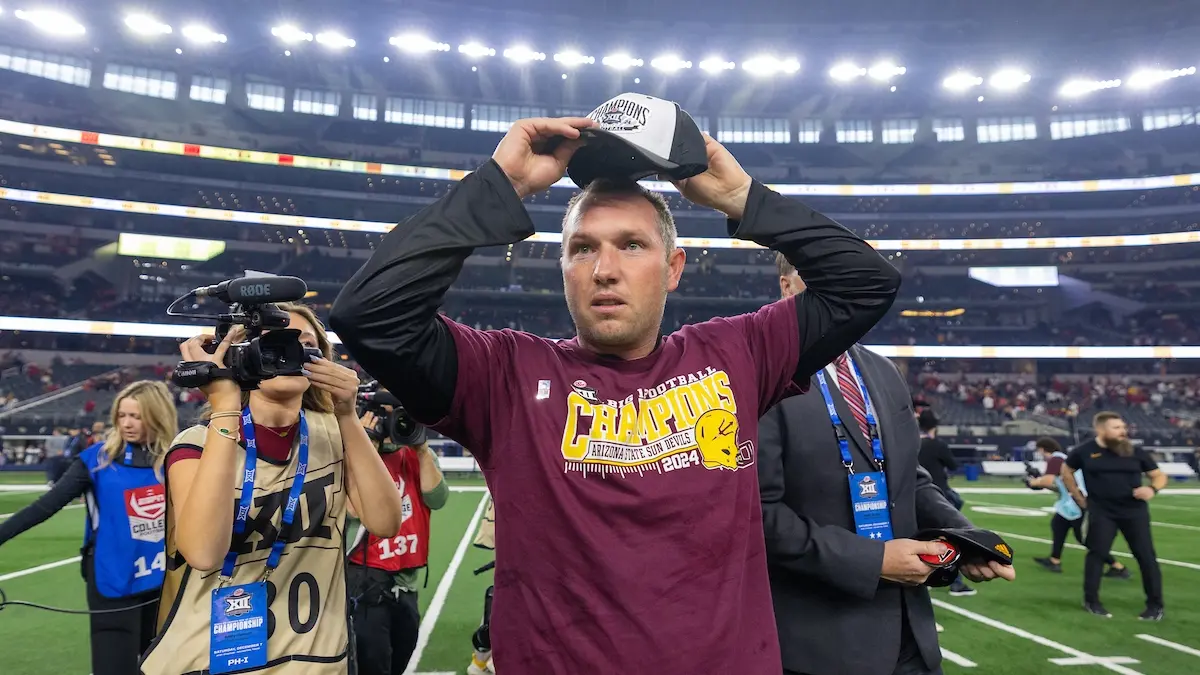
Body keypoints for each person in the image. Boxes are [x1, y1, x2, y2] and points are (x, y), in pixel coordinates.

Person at [329, 115, 903, 673]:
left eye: (631, 245)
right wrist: (500, 186)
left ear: (674, 268)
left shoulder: (738, 354)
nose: (604, 268)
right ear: (564, 269)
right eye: (582, 248)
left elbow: (866, 283)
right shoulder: (503, 374)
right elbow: (370, 316)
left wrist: (742, 197)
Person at [758, 255, 1012, 675]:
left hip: (909, 633)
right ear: (787, 288)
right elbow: (759, 514)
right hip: (817, 643)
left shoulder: (883, 370)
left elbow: (910, 479)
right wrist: (873, 561)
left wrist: (965, 537)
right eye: (823, 273)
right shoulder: (760, 374)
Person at [140, 303, 405, 675]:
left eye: (306, 345)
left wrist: (346, 414)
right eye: (274, 344)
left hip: (318, 662)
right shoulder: (197, 444)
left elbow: (386, 521)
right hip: (209, 661)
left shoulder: (335, 433)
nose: (290, 354)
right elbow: (203, 552)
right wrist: (226, 405)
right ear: (242, 359)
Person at [0, 380, 178, 675]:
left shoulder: (176, 460)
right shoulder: (96, 461)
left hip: (163, 583)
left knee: (161, 668)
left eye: (136, 416)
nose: (127, 424)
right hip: (111, 580)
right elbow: (45, 506)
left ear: (157, 416)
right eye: (122, 416)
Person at [346, 406, 448, 675]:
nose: (392, 424)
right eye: (384, 416)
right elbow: (352, 511)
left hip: (406, 582)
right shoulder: (355, 455)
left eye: (398, 415)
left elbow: (438, 499)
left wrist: (422, 449)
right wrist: (363, 447)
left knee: (401, 657)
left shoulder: (417, 455)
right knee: (373, 664)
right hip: (366, 581)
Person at [1062, 412, 1167, 620]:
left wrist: (1152, 490)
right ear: (1101, 430)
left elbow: (1158, 475)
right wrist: (1077, 495)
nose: (1123, 431)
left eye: (1123, 427)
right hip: (1102, 511)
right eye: (1117, 428)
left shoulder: (1134, 451)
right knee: (1097, 555)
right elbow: (1066, 470)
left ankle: (1155, 605)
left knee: (1146, 557)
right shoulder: (1084, 451)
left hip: (1134, 511)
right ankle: (1092, 601)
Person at [1027, 436, 1128, 577]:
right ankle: (1054, 560)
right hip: (1072, 501)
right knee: (1058, 526)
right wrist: (1038, 481)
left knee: (1085, 539)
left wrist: (1033, 482)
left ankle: (1117, 567)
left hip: (1077, 502)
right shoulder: (1062, 458)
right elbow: (1058, 486)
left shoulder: (1055, 460)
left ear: (1043, 449)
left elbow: (1048, 480)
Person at [915, 409, 975, 597]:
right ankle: (955, 582)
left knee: (921, 535)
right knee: (950, 538)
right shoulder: (937, 444)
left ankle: (925, 574)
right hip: (937, 493)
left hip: (914, 495)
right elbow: (952, 465)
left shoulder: (913, 443)